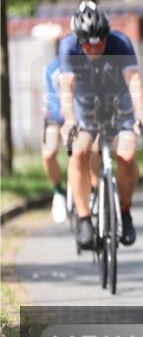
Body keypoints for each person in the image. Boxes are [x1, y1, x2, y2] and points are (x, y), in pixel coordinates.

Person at [59, 1, 143, 249]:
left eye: (100, 42)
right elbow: (67, 88)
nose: (94, 48)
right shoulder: (68, 46)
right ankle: (83, 220)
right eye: (88, 43)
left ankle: (124, 211)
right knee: (79, 152)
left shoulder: (120, 43)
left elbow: (133, 82)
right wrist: (69, 119)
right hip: (86, 107)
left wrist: (142, 115)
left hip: (117, 104)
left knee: (127, 152)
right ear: (78, 38)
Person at [41, 45, 68, 223]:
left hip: (79, 115)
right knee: (49, 153)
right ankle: (58, 192)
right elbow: (50, 96)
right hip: (56, 116)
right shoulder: (51, 69)